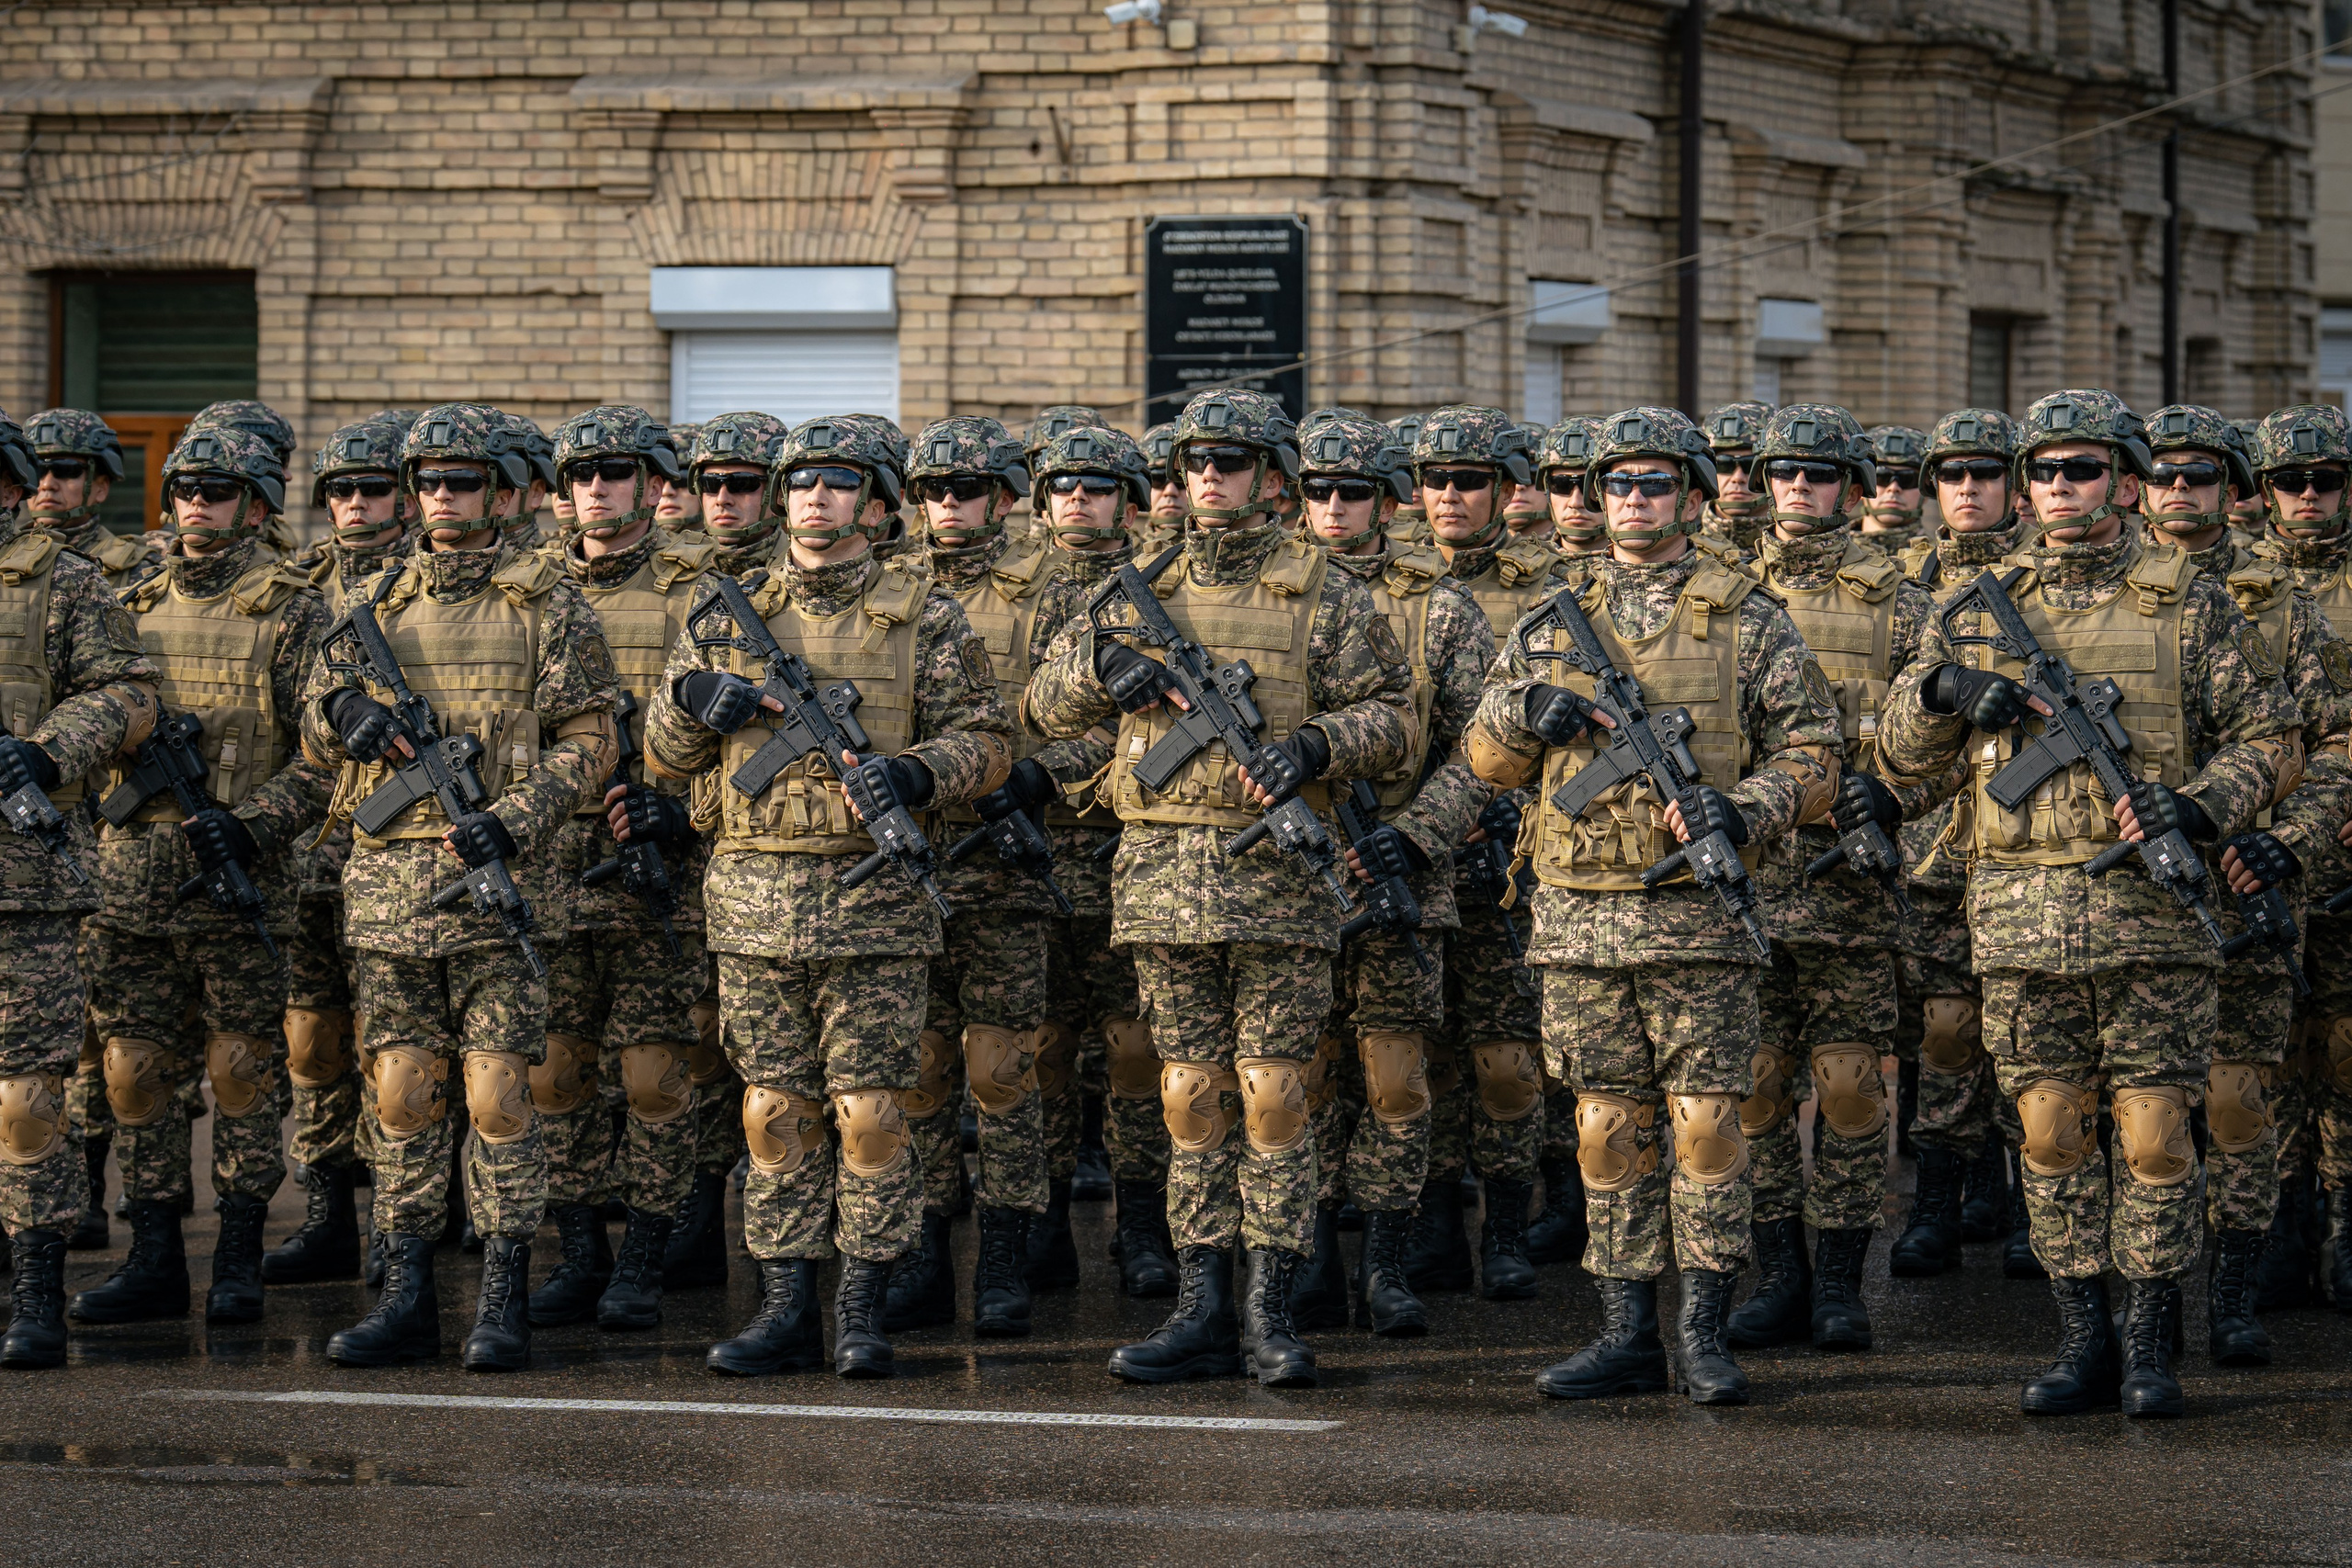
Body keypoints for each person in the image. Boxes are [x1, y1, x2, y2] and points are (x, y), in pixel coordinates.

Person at [1877, 388, 2302, 1417]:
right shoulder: (1972, 606)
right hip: (2020, 926)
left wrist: (2198, 805)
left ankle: (2153, 1344)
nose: (2062, 488)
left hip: (2152, 928)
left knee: (2154, 1137)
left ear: (2121, 481)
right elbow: (1896, 764)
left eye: (2084, 470)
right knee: (2051, 1134)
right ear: (2025, 487)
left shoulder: (2187, 599)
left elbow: (2273, 738)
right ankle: (2083, 1343)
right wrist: (1939, 699)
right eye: (2045, 471)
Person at [1023, 389, 1416, 1387]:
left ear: (1274, 479)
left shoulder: (1324, 590)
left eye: (1232, 462)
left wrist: (1316, 747)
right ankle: (1200, 1306)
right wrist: (1102, 668)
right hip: (1161, 883)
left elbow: (1395, 718)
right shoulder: (1130, 585)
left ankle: (1270, 1311)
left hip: (1280, 887)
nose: (1209, 478)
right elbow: (1040, 707)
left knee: (1277, 1100)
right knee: (1192, 1099)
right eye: (1195, 462)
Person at [1468, 405, 1841, 1405]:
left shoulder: (1745, 614)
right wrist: (1522, 711)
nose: (1634, 502)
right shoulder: (1551, 621)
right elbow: (1484, 759)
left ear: (1688, 494)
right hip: (1578, 921)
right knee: (1604, 1129)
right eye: (1617, 485)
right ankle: (1625, 1330)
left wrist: (1740, 806)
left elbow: (1816, 759)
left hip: (1697, 925)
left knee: (1707, 1129)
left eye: (1653, 484)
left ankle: (1704, 1333)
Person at [646, 413, 1013, 1380]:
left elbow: (986, 739)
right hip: (756, 903)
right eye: (800, 479)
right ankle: (783, 1308)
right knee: (773, 1112)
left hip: (874, 909)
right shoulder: (721, 610)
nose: (815, 495)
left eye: (839, 481)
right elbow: (662, 753)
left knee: (871, 1114)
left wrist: (917, 776)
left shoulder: (922, 611)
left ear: (878, 503)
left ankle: (862, 1305)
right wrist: (696, 707)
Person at [302, 402, 621, 1371]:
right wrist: (345, 713)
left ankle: (501, 1299)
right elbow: (315, 723)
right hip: (391, 895)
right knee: (399, 1099)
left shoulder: (546, 601)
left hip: (497, 889)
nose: (444, 498)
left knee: (497, 1101)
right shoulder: (373, 602)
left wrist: (514, 820)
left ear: (506, 493)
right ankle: (406, 1300)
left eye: (464, 481)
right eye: (430, 482)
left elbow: (593, 738)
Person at [69, 427, 331, 1329]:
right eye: (183, 488)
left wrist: (252, 822)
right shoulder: (124, 599)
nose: (195, 505)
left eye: (217, 492)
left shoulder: (293, 611)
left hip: (235, 887)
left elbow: (323, 759)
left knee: (242, 1075)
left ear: (256, 505)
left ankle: (237, 1259)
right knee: (135, 1076)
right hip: (129, 888)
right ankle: (150, 1259)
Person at [2141, 401, 2352, 1365]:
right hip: (2125, 896)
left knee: (2239, 1099)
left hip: (2247, 881)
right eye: (2164, 473)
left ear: (2232, 489)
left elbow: (2330, 746)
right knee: (2125, 1109)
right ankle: (2130, 1313)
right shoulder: (2091, 592)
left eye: (2200, 474)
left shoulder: (2279, 601)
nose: (2179, 490)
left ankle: (2233, 1294)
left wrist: (2293, 846)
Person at [1730, 404, 1937, 1355]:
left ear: (1854, 491)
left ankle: (1842, 1282)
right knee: (1760, 1088)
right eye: (1783, 474)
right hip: (1743, 880)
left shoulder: (1902, 599)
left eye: (1818, 475)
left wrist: (1889, 796)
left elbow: (1937, 740)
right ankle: (1776, 1274)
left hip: (1851, 885)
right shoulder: (1718, 587)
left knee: (1851, 1090)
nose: (1798, 489)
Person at [1291, 407, 1492, 1337]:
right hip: (1284, 877)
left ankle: (1386, 1261)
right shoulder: (1269, 599)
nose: (1334, 509)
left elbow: (1484, 751)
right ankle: (1308, 1257)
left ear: (1388, 502)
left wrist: (1417, 837)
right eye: (1317, 491)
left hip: (1401, 872)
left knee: (1397, 1077)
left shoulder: (1437, 607)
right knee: (1295, 1072)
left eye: (1354, 493)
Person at [525, 405, 711, 1335]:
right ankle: (577, 1251)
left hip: (654, 877)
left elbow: (738, 735)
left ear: (652, 483)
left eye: (615, 470)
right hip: (546, 869)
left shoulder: (707, 590)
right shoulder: (522, 589)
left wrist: (683, 811)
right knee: (557, 1075)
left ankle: (644, 1256)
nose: (596, 487)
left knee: (652, 1079)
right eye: (581, 473)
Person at [881, 415, 1057, 1339]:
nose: (948, 506)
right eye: (932, 491)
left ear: (1001, 499)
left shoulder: (1058, 591)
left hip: (1006, 865)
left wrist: (1042, 775)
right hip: (902, 869)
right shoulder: (885, 596)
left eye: (967, 491)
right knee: (913, 1074)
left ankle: (1003, 1262)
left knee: (1001, 1075)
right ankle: (918, 1256)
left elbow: (1111, 719)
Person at [0, 407, 162, 1370]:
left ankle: (35, 1289)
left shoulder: (62, 584)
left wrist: (43, 751)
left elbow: (129, 693)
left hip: (19, 882)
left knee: (26, 1103)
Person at [262, 420, 416, 1289]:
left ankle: (423, 1220)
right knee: (314, 1041)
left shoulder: (418, 587)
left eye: (372, 488)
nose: (354, 504)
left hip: (396, 858)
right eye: (338, 490)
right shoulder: (295, 589)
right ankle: (327, 1217)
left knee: (403, 1052)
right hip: (303, 854)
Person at [1406, 407, 1555, 1297]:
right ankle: (1430, 1222)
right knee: (1417, 1055)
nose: (1450, 497)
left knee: (1503, 1056)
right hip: (1416, 849)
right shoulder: (1386, 583)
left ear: (1505, 490)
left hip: (1508, 852)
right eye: (1436, 480)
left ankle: (1506, 1228)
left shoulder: (1553, 587)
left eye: (1469, 481)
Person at [1023, 423, 1174, 1299]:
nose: (1078, 497)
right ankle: (1040, 1222)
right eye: (1064, 484)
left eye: (1099, 484)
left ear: (1129, 498)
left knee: (1135, 1053)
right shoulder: (1006, 593)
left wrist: (1069, 764)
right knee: (1039, 1052)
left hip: (1132, 851)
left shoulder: (1159, 588)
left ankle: (1141, 1223)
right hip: (1027, 852)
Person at [1883, 410, 2031, 1280]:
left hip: (2024, 851)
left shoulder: (2036, 578)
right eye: (1950, 475)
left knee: (2024, 1040)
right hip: (1932, 846)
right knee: (1945, 1035)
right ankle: (1937, 1203)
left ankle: (2020, 1200)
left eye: (1983, 472)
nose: (1965, 489)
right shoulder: (1907, 581)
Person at [661, 412, 792, 1291]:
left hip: (774, 861)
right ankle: (691, 1220)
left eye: (742, 483)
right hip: (676, 841)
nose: (721, 500)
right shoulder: (679, 583)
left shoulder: (810, 586)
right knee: (693, 1049)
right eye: (710, 484)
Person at [2246, 403, 2352, 1313]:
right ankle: (2281, 1220)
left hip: (2346, 839)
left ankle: (2347, 1219)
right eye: (2290, 481)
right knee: (2272, 1042)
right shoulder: (2236, 585)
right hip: (2265, 848)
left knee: (2347, 1044)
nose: (2307, 497)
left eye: (2324, 481)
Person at [1699, 401, 1773, 558]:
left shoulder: (1796, 550)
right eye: (1724, 464)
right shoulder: (1681, 551)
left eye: (1750, 465)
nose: (1737, 478)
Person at [1860, 425, 1930, 545]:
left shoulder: (1942, 559)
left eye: (1908, 479)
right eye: (1881, 477)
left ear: (1926, 489)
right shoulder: (1832, 555)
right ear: (1859, 485)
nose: (1893, 488)